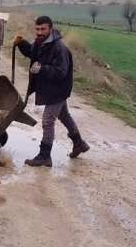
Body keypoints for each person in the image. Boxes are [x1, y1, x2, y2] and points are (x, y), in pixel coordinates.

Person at [12, 16, 90, 167]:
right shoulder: (40, 43)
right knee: (64, 114)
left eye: (43, 29)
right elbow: (32, 53)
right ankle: (79, 143)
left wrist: (42, 69)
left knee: (48, 121)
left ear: (51, 30)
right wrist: (21, 44)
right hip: (52, 88)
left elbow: (61, 72)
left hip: (58, 89)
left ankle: (44, 156)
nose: (40, 32)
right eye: (37, 29)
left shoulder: (59, 48)